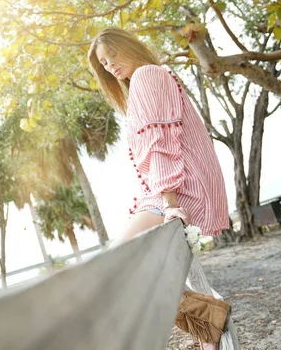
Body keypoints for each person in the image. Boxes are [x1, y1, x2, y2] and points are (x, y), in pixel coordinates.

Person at [88, 28, 231, 350]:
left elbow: (160, 142)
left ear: (129, 49)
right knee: (142, 263)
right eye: (103, 64)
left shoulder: (147, 76)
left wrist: (168, 201)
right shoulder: (158, 75)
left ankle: (209, 321)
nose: (110, 67)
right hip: (179, 185)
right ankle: (207, 328)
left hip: (179, 188)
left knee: (116, 260)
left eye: (112, 57)